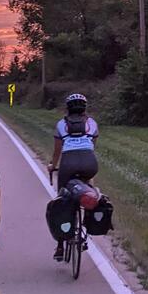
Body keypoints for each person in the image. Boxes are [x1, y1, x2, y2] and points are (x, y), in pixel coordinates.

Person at [48, 93, 98, 261]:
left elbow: (57, 152)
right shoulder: (92, 123)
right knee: (90, 188)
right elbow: (92, 146)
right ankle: (87, 224)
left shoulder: (61, 124)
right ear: (85, 108)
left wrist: (52, 166)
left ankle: (60, 246)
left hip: (68, 164)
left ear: (67, 108)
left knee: (63, 198)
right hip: (89, 162)